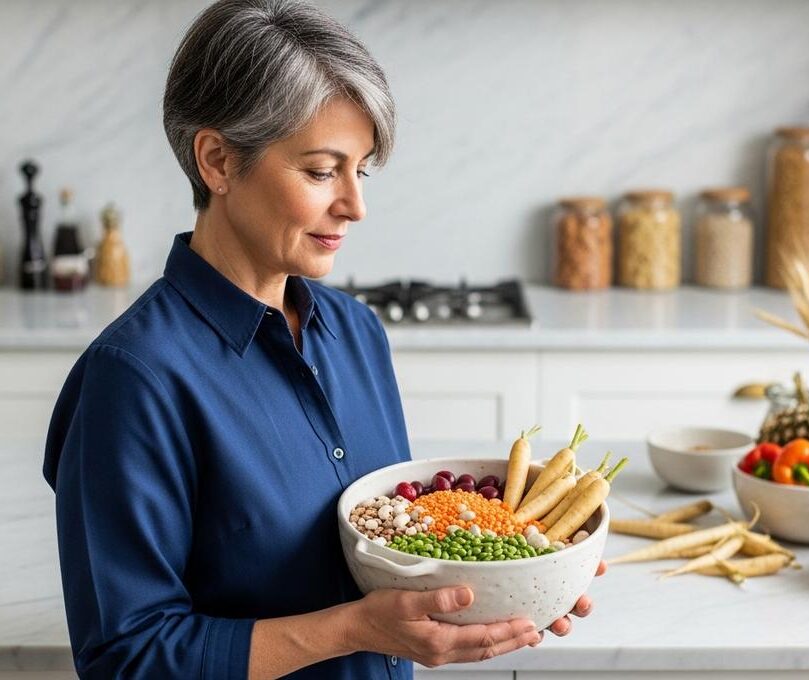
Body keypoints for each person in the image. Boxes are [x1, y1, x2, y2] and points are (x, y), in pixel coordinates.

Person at [42, 1, 604, 678]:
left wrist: (513, 584)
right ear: (217, 160)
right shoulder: (132, 378)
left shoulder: (355, 332)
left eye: (359, 170)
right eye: (319, 171)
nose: (354, 205)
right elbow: (125, 658)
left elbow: (387, 552)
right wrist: (352, 631)